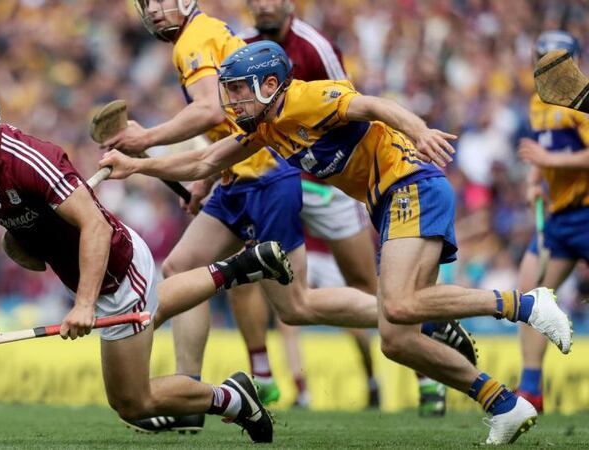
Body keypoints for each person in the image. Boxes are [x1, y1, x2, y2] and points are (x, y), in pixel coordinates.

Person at [99, 41, 574, 444]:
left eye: (241, 89)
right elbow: (204, 164)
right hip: (387, 200)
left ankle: (528, 304)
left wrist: (419, 130)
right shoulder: (265, 126)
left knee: (402, 305)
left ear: (270, 85)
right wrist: (139, 164)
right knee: (396, 338)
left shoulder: (304, 99)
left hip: (411, 183)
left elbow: (372, 105)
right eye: (230, 90)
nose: (233, 100)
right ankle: (503, 403)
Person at [0, 82, 298, 443]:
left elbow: (98, 228)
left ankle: (233, 399)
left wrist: (85, 304)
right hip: (101, 269)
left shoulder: (29, 161)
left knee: (133, 402)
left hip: (114, 270)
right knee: (145, 301)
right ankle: (237, 267)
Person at [108, 1, 473, 432]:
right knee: (182, 266)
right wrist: (144, 167)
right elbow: (214, 144)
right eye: (148, 4)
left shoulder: (199, 40)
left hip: (281, 170)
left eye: (164, 1)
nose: (155, 11)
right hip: (243, 172)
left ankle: (420, 318)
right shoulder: (218, 35)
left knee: (302, 303)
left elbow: (218, 112)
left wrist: (146, 139)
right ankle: (195, 391)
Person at [241, 0, 466, 415]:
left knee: (370, 283)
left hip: (331, 180)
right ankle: (270, 375)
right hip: (277, 177)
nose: (262, 5)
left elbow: (354, 107)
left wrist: (414, 131)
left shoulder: (314, 46)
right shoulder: (243, 49)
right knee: (258, 270)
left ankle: (420, 374)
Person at [513, 31, 589, 414]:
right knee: (530, 296)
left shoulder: (583, 101)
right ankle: (531, 390)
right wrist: (532, 184)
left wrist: (550, 160)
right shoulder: (535, 102)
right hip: (559, 217)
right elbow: (539, 153)